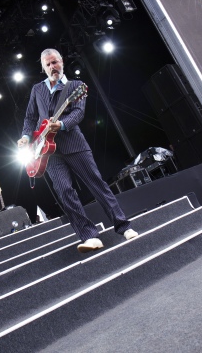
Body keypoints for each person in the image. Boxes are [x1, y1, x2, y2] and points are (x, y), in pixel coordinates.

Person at [17, 48, 138, 253]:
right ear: (43, 68)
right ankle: (89, 236)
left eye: (55, 62)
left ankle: (123, 226)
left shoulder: (76, 87)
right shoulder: (37, 90)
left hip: (75, 146)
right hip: (48, 153)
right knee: (64, 192)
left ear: (62, 61)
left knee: (97, 184)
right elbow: (30, 118)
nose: (52, 67)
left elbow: (78, 113)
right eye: (48, 65)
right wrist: (26, 137)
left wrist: (61, 125)